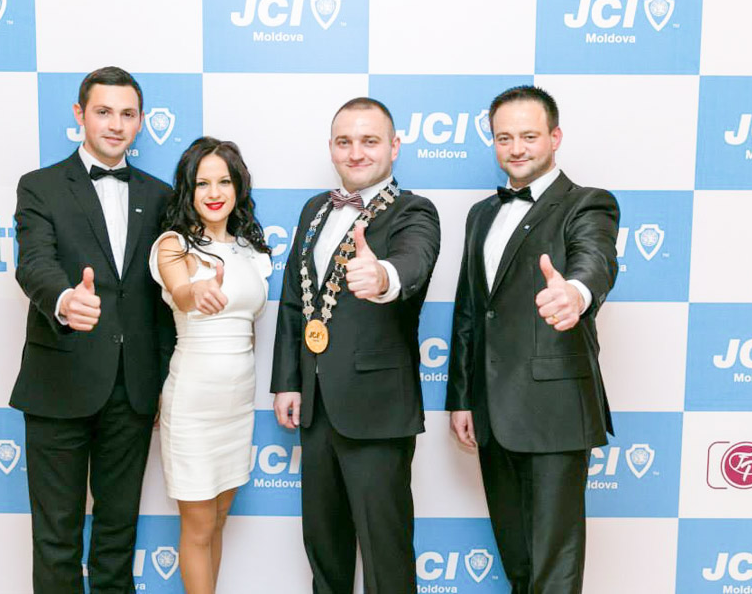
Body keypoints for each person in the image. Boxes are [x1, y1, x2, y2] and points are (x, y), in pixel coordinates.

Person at [445, 86, 620, 594]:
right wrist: (461, 398)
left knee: (554, 566)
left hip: (555, 409)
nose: (516, 148)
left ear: (555, 137)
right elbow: (470, 311)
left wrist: (576, 294)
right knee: (518, 562)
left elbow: (595, 260)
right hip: (491, 412)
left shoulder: (587, 203)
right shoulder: (481, 214)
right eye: (504, 138)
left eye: (529, 136)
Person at [10, 66, 175, 593]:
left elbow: (163, 299)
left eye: (127, 114)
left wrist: (163, 383)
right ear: (80, 114)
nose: (116, 125)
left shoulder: (162, 195)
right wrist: (64, 300)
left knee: (117, 536)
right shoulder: (39, 186)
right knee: (55, 537)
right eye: (103, 112)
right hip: (58, 381)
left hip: (133, 390)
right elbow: (33, 263)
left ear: (141, 121)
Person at [271, 97, 441, 594]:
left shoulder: (414, 210)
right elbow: (293, 301)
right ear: (331, 147)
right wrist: (288, 382)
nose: (356, 153)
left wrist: (383, 276)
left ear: (394, 146)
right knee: (324, 550)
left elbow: (414, 261)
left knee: (386, 556)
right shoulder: (314, 209)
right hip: (316, 407)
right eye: (345, 142)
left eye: (369, 141)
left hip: (377, 411)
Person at [149, 137, 272, 594]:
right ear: (188, 189)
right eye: (202, 183)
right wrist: (196, 291)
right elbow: (181, 292)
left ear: (238, 187)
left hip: (236, 407)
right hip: (194, 406)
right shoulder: (173, 245)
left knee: (218, 519)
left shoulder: (249, 250)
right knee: (199, 525)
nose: (214, 193)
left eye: (224, 181)